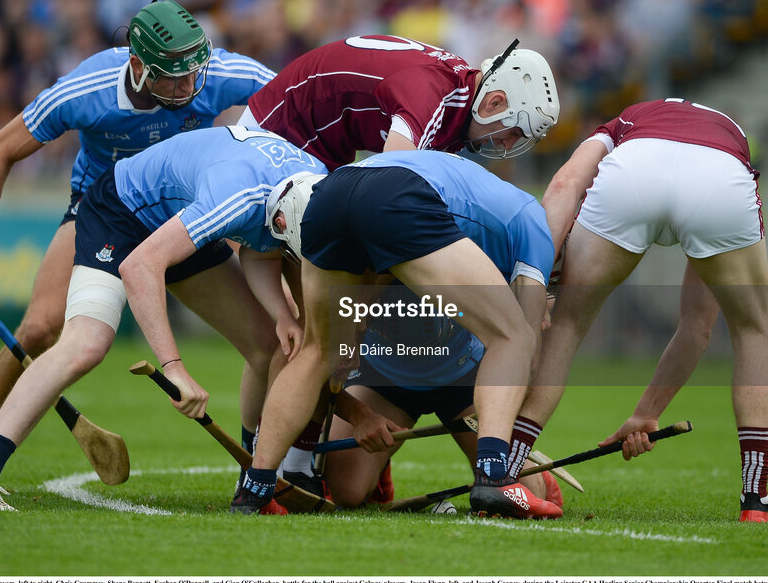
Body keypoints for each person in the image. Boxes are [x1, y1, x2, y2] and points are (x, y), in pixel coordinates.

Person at [0, 0, 275, 490]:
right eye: (173, 79)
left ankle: (262, 476)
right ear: (138, 68)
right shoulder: (88, 89)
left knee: (269, 343)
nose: (189, 90)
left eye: (195, 76)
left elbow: (303, 94)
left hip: (178, 215)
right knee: (38, 330)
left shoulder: (218, 72)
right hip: (103, 209)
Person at [0, 126, 327, 511]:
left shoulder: (316, 184)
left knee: (274, 345)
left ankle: (252, 484)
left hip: (182, 215)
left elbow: (260, 249)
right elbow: (141, 266)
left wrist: (282, 315)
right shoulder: (236, 197)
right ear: (279, 220)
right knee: (85, 345)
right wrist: (174, 368)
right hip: (122, 212)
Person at [234, 150, 557, 518]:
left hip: (333, 191)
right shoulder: (535, 227)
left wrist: (349, 332)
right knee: (514, 336)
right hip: (396, 198)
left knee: (315, 352)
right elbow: (527, 344)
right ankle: (494, 476)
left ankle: (254, 488)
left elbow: (374, 268)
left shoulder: (478, 202)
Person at [514, 97, 768, 523]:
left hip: (635, 171)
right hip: (719, 180)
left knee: (565, 325)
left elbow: (564, 187)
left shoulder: (624, 121)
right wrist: (648, 412)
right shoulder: (731, 140)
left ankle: (505, 471)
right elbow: (697, 326)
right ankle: (756, 503)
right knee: (753, 332)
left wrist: (537, 284)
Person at [323, 284, 564, 518]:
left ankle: (540, 477)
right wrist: (359, 416)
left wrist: (535, 293)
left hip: (465, 374)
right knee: (346, 492)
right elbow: (312, 367)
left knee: (524, 496)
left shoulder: (462, 247)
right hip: (382, 377)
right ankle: (378, 469)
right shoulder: (358, 260)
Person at [237, 35, 560, 168]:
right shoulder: (435, 94)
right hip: (285, 127)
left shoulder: (458, 101)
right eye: (515, 132)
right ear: (495, 102)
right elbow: (391, 175)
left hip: (324, 141)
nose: (506, 146)